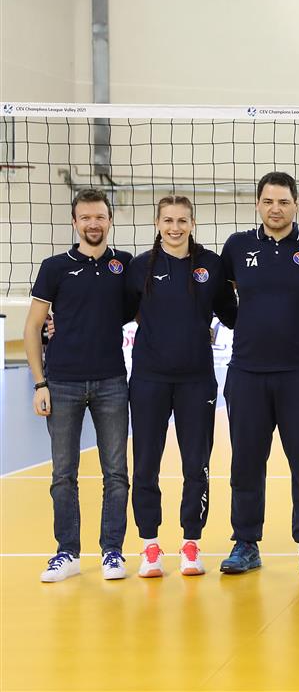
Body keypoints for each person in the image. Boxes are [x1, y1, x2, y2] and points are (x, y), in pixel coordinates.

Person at [219, 171, 299, 574]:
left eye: (283, 201)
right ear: (258, 204)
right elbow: (222, 299)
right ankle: (245, 542)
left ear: (296, 205)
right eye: (268, 201)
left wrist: (297, 310)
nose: (276, 208)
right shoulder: (237, 246)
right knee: (246, 463)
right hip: (247, 372)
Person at [25, 188, 133, 582]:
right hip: (62, 383)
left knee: (116, 473)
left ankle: (112, 552)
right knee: (63, 475)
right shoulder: (54, 267)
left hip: (112, 381)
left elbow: (147, 308)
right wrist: (40, 383)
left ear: (110, 220)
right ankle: (67, 552)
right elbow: (33, 327)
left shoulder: (125, 265)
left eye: (100, 216)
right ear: (74, 222)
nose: (93, 223)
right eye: (85, 217)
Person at [126, 195, 237, 577]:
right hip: (149, 378)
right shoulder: (139, 267)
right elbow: (115, 310)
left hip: (196, 379)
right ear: (157, 224)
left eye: (182, 221)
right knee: (145, 465)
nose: (175, 227)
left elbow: (234, 315)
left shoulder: (211, 265)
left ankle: (191, 543)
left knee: (196, 465)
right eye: (168, 220)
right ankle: (149, 545)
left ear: (192, 223)